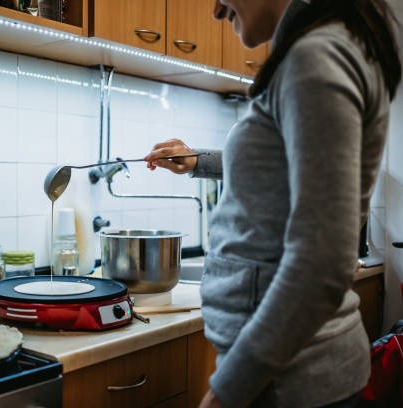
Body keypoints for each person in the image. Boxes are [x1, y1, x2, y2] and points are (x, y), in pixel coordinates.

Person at [144, 0, 401, 407]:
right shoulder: (328, 48)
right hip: (295, 372)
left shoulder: (315, 57)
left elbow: (321, 264)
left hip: (290, 380)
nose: (215, 10)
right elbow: (289, 159)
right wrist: (200, 161)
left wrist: (229, 391)